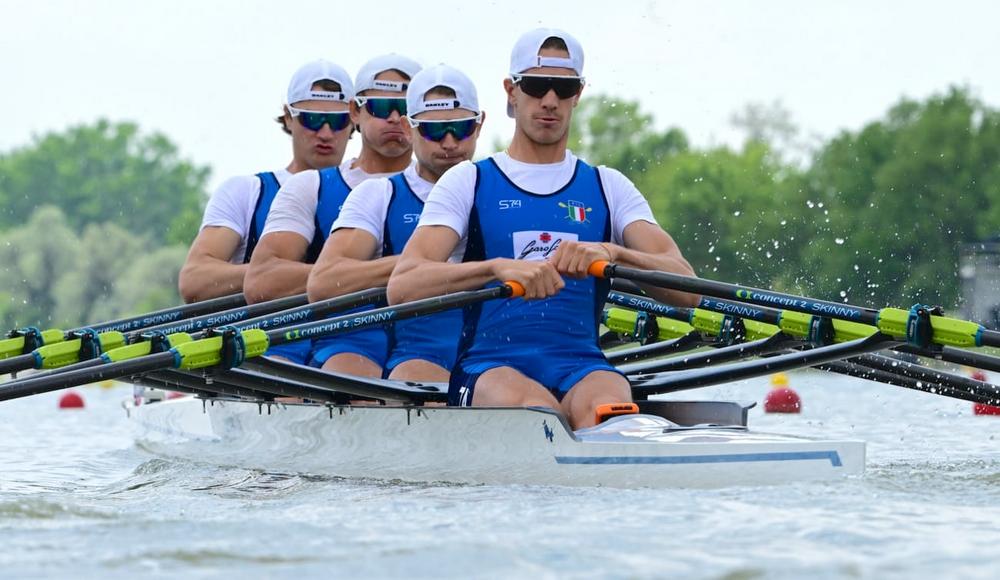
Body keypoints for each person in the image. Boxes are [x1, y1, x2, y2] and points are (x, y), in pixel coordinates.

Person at [387, 29, 699, 429]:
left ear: (578, 94)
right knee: (541, 418)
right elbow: (404, 285)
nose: (550, 100)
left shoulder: (609, 186)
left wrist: (614, 253)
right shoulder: (468, 181)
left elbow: (687, 291)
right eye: (535, 86)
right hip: (488, 367)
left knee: (610, 413)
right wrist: (495, 269)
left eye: (563, 87)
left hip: (582, 365)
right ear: (511, 92)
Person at [244, 54, 421, 369]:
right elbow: (262, 282)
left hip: (424, 344)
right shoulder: (309, 187)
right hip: (332, 344)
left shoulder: (457, 188)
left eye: (406, 108)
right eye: (381, 107)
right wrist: (404, 272)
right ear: (355, 111)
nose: (395, 118)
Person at [308, 64, 485, 381]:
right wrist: (418, 268)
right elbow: (323, 283)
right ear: (408, 128)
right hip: (408, 360)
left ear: (479, 125)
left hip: (491, 353)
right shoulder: (377, 194)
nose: (448, 142)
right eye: (432, 130)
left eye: (460, 128)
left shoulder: (499, 187)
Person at [178, 60, 355, 303]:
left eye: (337, 121)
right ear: (288, 117)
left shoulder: (375, 192)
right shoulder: (245, 191)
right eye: (312, 119)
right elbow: (195, 280)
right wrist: (334, 277)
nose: (325, 133)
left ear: (354, 119)